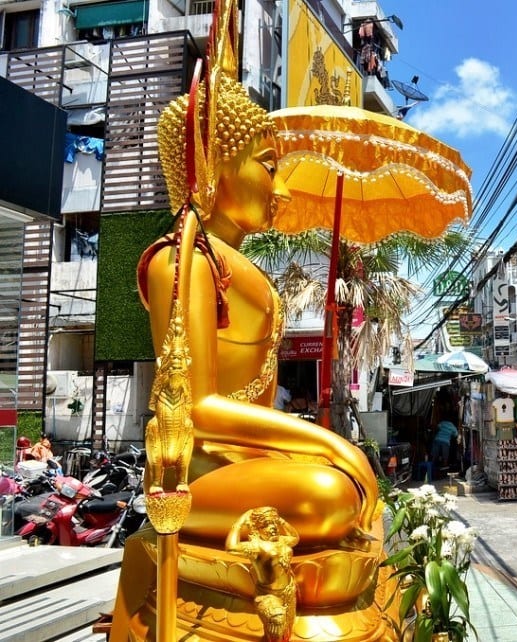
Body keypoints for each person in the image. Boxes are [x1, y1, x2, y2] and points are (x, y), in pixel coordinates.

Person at [112, 31, 383, 636]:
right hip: (198, 472)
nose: (280, 189)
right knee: (327, 493)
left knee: (351, 497)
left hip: (250, 465)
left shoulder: (243, 268)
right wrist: (332, 445)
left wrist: (326, 445)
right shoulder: (179, 259)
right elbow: (200, 410)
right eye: (267, 167)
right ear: (212, 162)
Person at [225, 507, 299, 642]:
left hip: (288, 591)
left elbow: (295, 538)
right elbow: (231, 547)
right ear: (257, 529)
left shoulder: (281, 540)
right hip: (268, 595)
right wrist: (239, 524)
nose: (273, 527)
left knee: (287, 629)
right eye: (266, 525)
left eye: (273, 523)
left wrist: (281, 521)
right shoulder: (256, 546)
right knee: (277, 621)